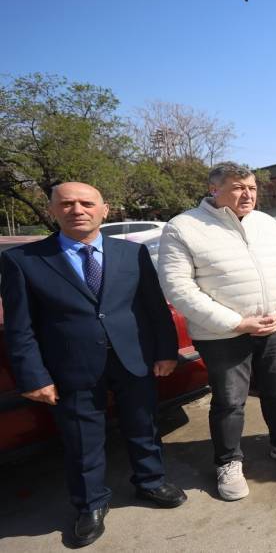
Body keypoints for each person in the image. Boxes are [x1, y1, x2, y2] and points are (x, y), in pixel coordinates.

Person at [0, 183, 186, 547]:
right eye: (67, 204)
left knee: (143, 426)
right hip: (71, 365)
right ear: (52, 210)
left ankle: (150, 481)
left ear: (105, 210)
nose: (77, 210)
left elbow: (153, 306)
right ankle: (91, 504)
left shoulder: (131, 253)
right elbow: (20, 327)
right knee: (82, 440)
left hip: (133, 358)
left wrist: (167, 352)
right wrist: (33, 377)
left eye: (87, 203)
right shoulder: (24, 260)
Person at [158, 162, 276, 502]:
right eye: (238, 187)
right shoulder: (184, 227)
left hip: (274, 327)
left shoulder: (267, 224)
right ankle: (228, 461)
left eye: (252, 188)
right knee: (230, 402)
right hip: (223, 336)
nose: (248, 194)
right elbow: (179, 288)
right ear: (214, 189)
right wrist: (235, 323)